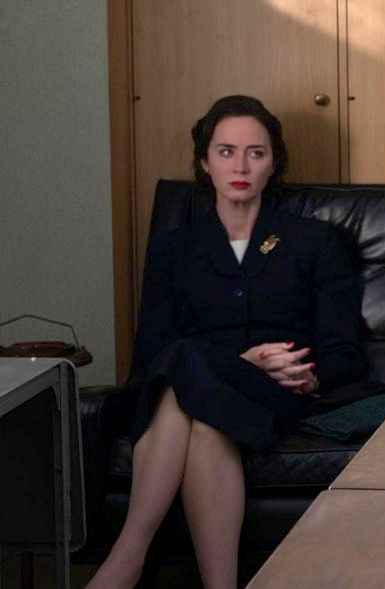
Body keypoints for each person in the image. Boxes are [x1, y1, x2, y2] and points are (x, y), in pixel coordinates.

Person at [88, 95, 365, 589]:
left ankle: (127, 558)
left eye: (256, 153)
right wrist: (240, 362)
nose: (240, 166)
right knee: (203, 419)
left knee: (187, 363)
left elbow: (345, 352)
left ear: (273, 163)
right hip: (197, 398)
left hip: (278, 393)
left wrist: (307, 374)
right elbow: (151, 353)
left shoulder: (316, 241)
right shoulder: (174, 248)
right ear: (204, 162)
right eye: (226, 152)